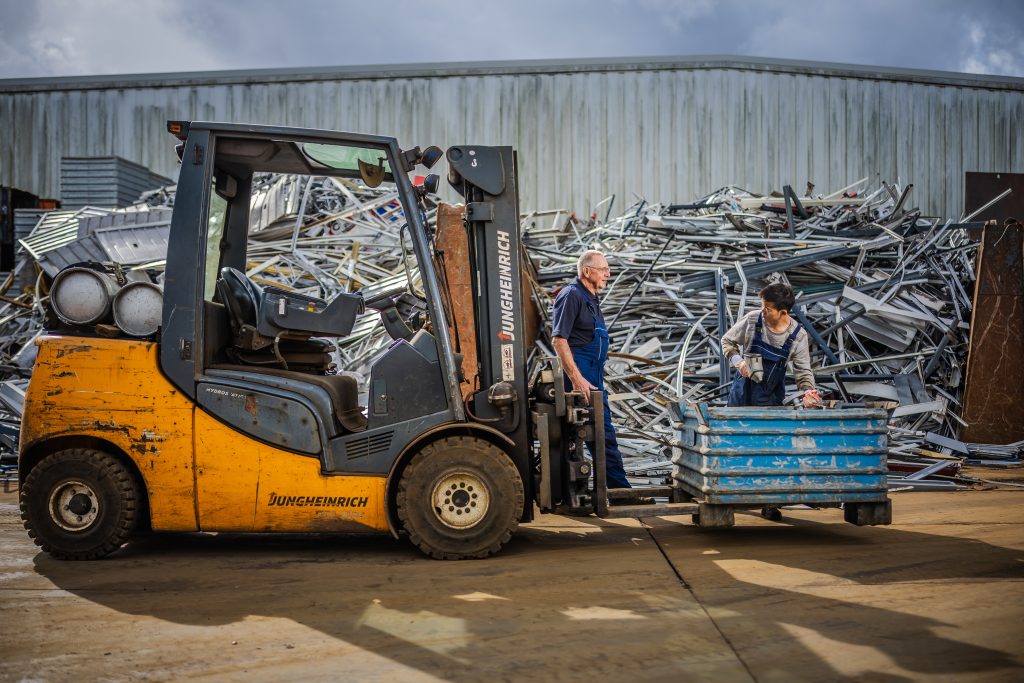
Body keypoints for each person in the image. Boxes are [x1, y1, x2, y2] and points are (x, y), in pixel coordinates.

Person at [550, 250, 631, 489]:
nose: (608, 274)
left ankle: (605, 490)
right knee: (601, 434)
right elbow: (559, 340)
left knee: (597, 435)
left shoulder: (591, 298)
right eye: (603, 269)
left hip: (593, 378)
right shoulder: (571, 295)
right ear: (587, 271)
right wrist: (577, 380)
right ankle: (620, 492)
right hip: (582, 381)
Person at [722, 282, 822, 409]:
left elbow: (803, 370)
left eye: (768, 309)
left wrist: (808, 391)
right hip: (742, 390)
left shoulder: (797, 336)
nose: (762, 312)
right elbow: (727, 340)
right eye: (762, 306)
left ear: (783, 313)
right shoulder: (752, 319)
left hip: (771, 396)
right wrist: (739, 361)